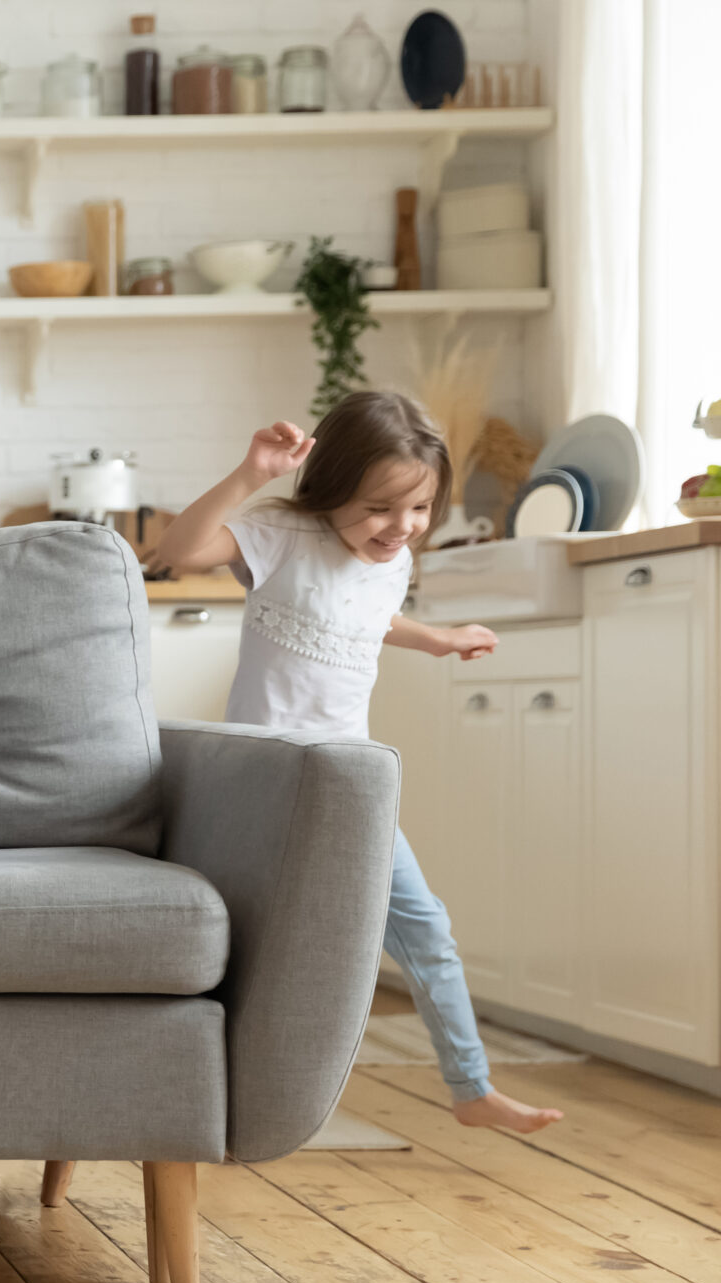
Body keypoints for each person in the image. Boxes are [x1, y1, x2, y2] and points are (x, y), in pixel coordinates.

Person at [153, 389, 564, 1135]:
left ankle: (470, 1087)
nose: (400, 528)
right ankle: (202, 1090)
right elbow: (179, 553)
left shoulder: (391, 561)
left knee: (427, 932)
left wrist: (435, 637)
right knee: (249, 946)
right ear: (333, 487)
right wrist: (250, 474)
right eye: (380, 508)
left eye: (418, 510)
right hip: (266, 785)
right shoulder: (280, 535)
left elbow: (365, 617)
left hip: (352, 786)